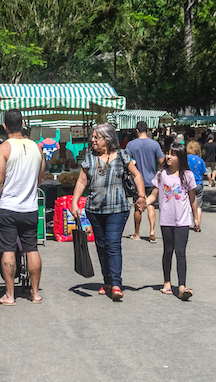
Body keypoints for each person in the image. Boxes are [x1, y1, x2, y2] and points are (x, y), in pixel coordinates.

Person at [71, 123, 147, 301]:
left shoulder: (122, 156)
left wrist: (141, 196)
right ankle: (107, 281)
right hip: (94, 210)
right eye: (93, 137)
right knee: (101, 245)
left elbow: (136, 175)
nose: (93, 140)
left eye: (96, 137)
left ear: (107, 139)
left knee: (113, 244)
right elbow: (82, 182)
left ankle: (116, 284)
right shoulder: (89, 158)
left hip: (118, 209)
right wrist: (75, 202)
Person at [0, 109, 47, 305]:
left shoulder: (3, 148)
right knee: (31, 249)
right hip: (30, 208)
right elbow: (41, 177)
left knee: (8, 249)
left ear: (4, 126)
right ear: (23, 124)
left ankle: (10, 295)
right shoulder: (37, 148)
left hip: (8, 208)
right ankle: (35, 293)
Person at [146, 142, 200, 300]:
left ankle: (182, 286)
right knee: (168, 251)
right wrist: (144, 203)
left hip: (183, 220)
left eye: (173, 154)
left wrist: (196, 218)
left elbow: (193, 198)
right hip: (166, 220)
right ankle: (167, 282)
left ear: (180, 157)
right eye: (167, 153)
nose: (168, 156)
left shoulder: (187, 175)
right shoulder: (162, 174)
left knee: (181, 252)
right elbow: (154, 195)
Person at [125, 121, 165, 243]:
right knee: (150, 205)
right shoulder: (154, 144)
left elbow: (126, 161)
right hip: (152, 179)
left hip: (137, 181)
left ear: (137, 131)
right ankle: (152, 230)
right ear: (147, 130)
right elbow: (162, 161)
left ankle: (137, 233)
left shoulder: (131, 145)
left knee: (138, 207)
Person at [185, 139, 207, 207]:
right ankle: (197, 217)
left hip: (187, 184)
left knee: (187, 204)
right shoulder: (200, 160)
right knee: (198, 206)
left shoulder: (185, 158)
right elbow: (203, 172)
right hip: (198, 183)